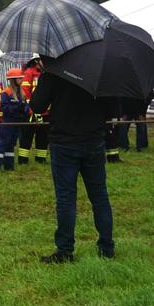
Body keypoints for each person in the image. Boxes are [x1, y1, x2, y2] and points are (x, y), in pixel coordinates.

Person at [29, 72, 114, 263]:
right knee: (100, 196)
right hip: (93, 140)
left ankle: (65, 250)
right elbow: (111, 110)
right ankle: (107, 247)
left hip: (64, 141)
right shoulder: (99, 70)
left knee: (66, 198)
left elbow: (36, 105)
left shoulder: (54, 72)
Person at [19, 56, 49, 164]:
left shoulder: (47, 73)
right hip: (32, 111)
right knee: (28, 134)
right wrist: (31, 109)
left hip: (45, 111)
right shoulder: (29, 73)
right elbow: (25, 92)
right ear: (36, 61)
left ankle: (41, 159)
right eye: (42, 60)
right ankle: (23, 159)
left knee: (43, 135)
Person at [0, 69, 28, 171]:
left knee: (11, 145)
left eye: (21, 77)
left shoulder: (21, 92)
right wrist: (17, 107)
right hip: (8, 122)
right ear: (13, 79)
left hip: (17, 123)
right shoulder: (6, 92)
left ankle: (9, 166)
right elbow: (4, 108)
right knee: (3, 144)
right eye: (19, 78)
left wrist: (25, 108)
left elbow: (24, 109)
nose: (21, 79)